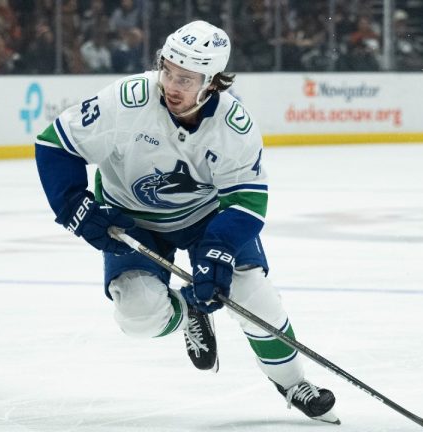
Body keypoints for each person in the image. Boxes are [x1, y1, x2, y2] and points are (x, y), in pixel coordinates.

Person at [34, 20, 339, 424]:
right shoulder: (128, 100)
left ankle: (293, 382)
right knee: (139, 317)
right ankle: (188, 312)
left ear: (212, 82)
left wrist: (219, 248)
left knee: (252, 296)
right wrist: (73, 204)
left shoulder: (234, 127)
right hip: (131, 217)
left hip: (206, 218)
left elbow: (247, 202)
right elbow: (55, 144)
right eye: (168, 71)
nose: (172, 85)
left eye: (187, 78)